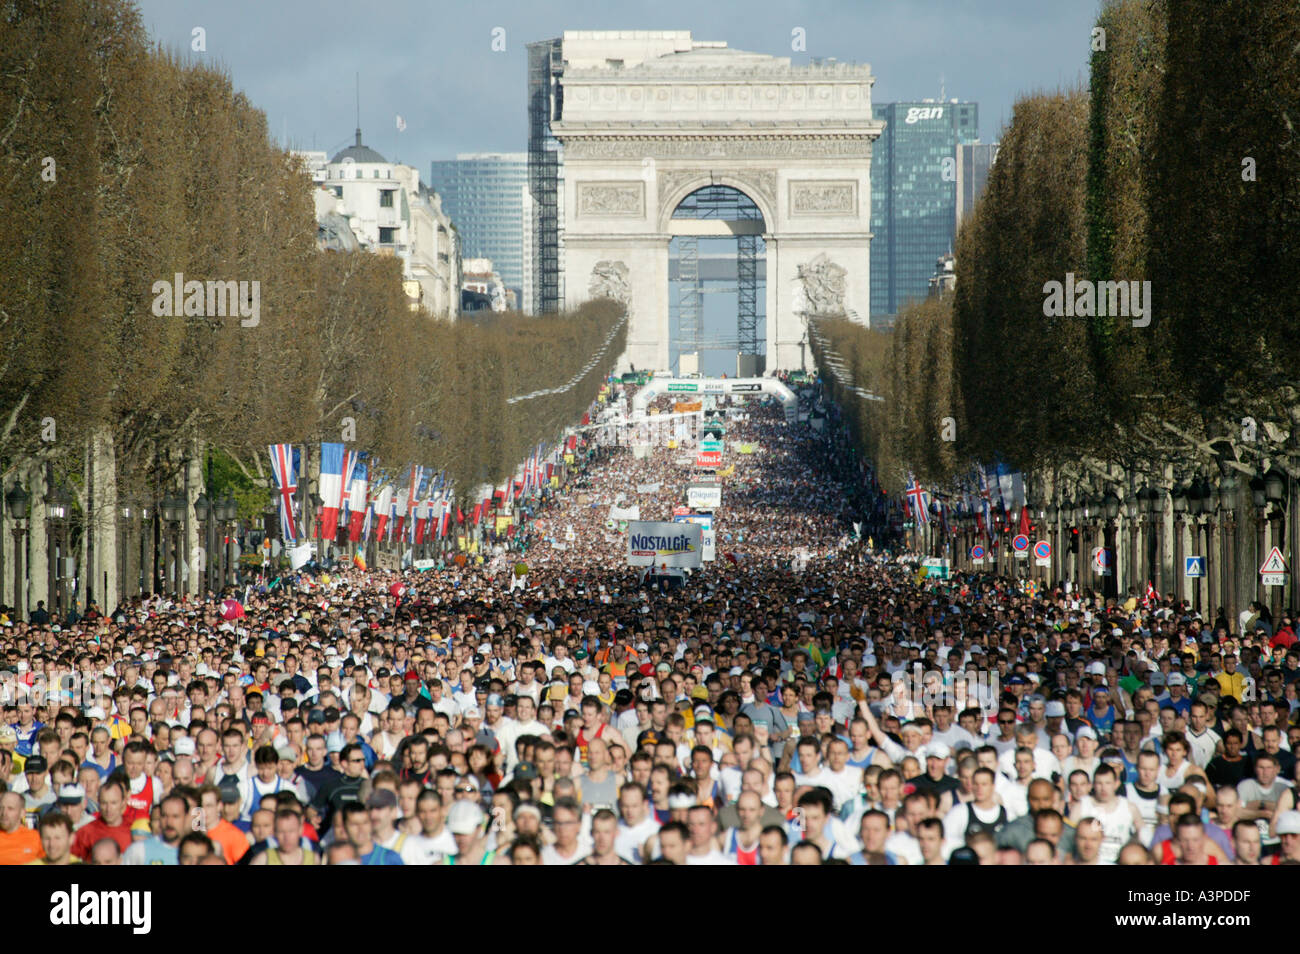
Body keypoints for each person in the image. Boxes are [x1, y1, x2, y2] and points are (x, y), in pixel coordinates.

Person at [122, 793, 187, 865]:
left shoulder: (197, 852)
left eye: (175, 816)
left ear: (186, 818)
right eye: (164, 816)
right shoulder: (139, 851)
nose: (169, 822)